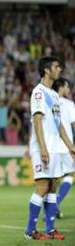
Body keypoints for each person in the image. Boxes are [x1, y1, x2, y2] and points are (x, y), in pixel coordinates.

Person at [24, 56, 75, 240]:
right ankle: (30, 231)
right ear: (47, 70)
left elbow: (59, 124)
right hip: (42, 147)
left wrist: (70, 146)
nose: (59, 69)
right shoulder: (38, 93)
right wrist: (43, 148)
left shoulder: (53, 94)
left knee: (53, 186)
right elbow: (37, 121)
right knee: (43, 185)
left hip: (54, 147)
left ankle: (51, 229)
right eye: (56, 66)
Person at [52, 78, 75, 219]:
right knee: (69, 175)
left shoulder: (48, 102)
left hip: (52, 145)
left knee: (53, 179)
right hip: (66, 146)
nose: (68, 89)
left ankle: (52, 206)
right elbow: (74, 125)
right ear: (60, 87)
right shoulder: (69, 104)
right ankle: (55, 204)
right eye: (67, 86)